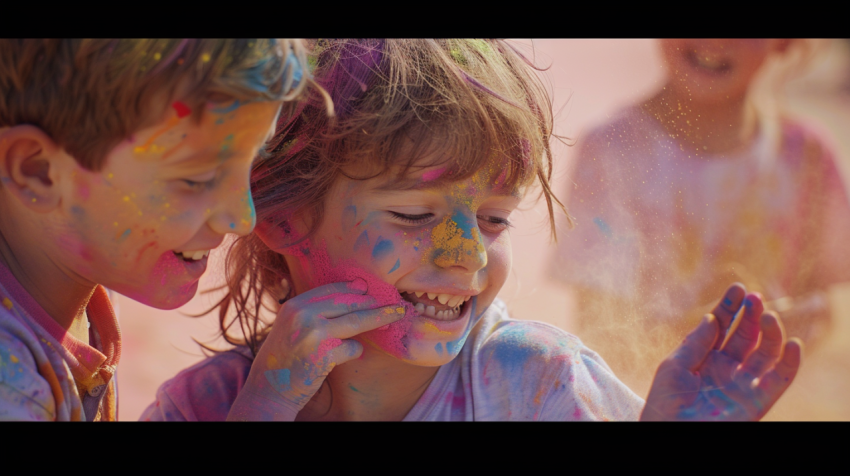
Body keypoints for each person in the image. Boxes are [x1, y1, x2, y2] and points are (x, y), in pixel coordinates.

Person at [142, 39, 800, 421]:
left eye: (493, 219)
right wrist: (264, 408)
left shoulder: (537, 382)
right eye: (414, 215)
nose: (467, 256)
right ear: (284, 215)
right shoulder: (207, 404)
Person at [0, 39, 309, 421]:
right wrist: (264, 406)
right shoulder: (10, 391)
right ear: (38, 171)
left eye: (249, 166)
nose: (242, 218)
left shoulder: (78, 259)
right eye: (197, 179)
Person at [550, 39, 850, 393]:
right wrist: (706, 340)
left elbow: (822, 313)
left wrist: (781, 328)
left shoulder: (806, 158)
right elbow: (600, 328)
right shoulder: (614, 149)